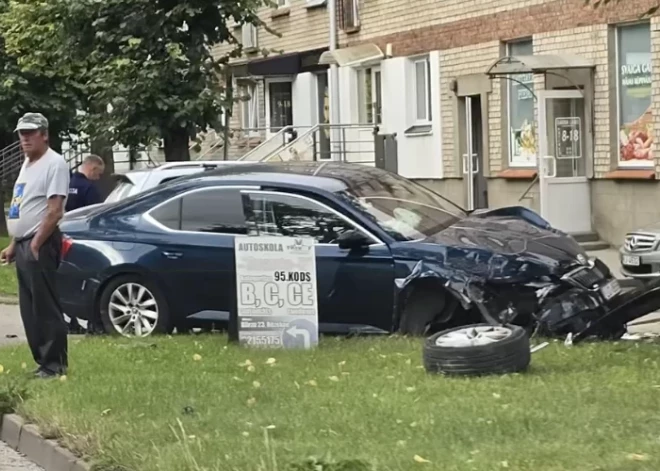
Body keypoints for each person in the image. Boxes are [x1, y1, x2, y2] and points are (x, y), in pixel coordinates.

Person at [0, 112, 70, 379]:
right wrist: (14, 243)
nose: (25, 138)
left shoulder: (55, 164)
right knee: (29, 308)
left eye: (31, 132)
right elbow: (23, 205)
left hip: (40, 243)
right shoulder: (28, 164)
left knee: (45, 306)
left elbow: (54, 211)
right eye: (22, 133)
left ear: (44, 134)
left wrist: (36, 243)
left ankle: (55, 366)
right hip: (25, 243)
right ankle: (42, 363)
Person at [64, 154, 105, 334]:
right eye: (99, 174)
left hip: (65, 237)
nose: (99, 178)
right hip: (86, 238)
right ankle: (93, 323)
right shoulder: (89, 189)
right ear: (93, 168)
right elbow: (98, 215)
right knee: (90, 280)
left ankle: (70, 320)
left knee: (69, 279)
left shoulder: (67, 184)